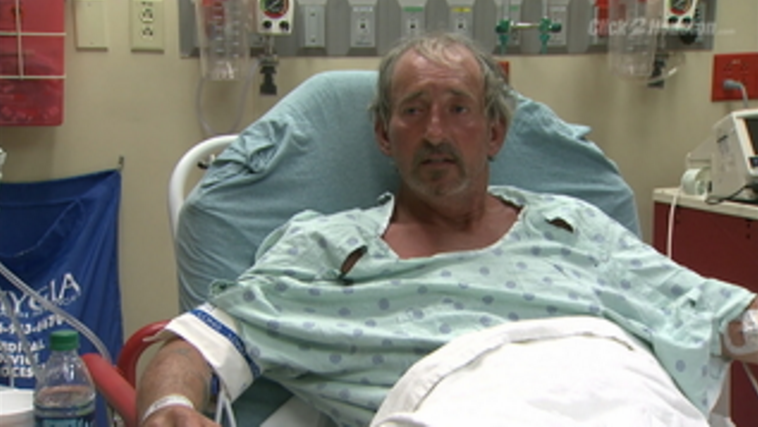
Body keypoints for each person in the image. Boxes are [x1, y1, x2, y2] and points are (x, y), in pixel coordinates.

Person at [137, 32, 758, 427]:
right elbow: (199, 344)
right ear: (384, 135)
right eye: (413, 111)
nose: (435, 132)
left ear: (495, 133)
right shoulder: (330, 251)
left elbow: (710, 310)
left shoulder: (573, 227)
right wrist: (169, 406)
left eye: (458, 109)